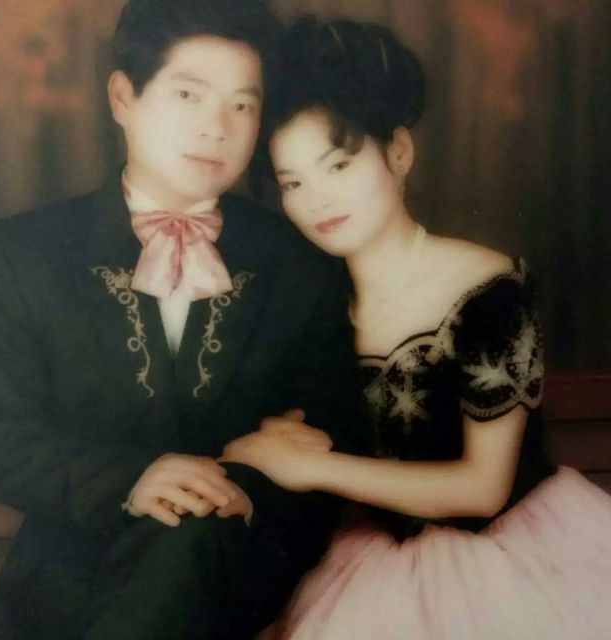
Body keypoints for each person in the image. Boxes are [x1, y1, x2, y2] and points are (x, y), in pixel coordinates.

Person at [0, 4, 367, 639]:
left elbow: (338, 427)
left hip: (241, 556)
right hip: (77, 564)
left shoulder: (299, 261)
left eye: (242, 105)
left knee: (197, 538)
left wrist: (242, 490)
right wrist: (132, 479)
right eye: (188, 94)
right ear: (123, 97)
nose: (216, 127)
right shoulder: (21, 255)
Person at [224, 16, 611, 640]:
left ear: (399, 152)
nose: (318, 199)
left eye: (338, 165)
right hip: (361, 557)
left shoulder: (488, 289)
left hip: (509, 560)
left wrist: (312, 468)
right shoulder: (312, 301)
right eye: (294, 183)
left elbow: (483, 490)